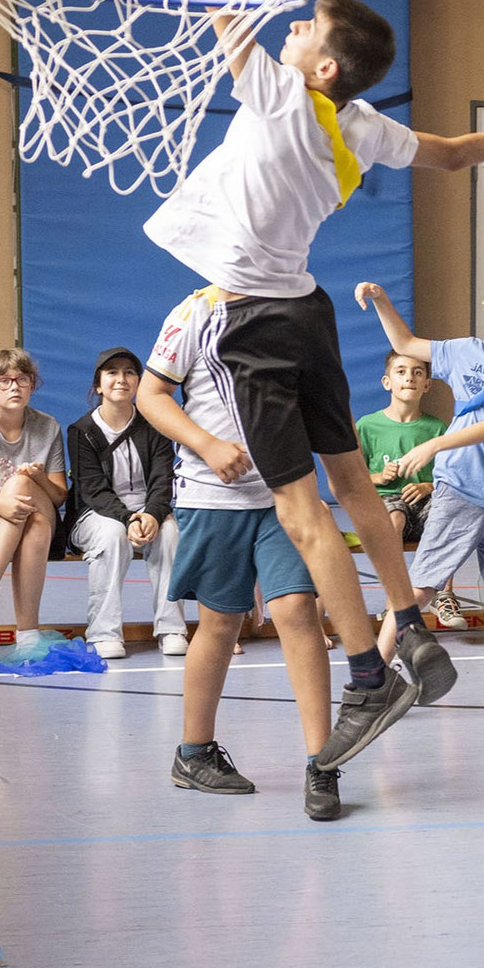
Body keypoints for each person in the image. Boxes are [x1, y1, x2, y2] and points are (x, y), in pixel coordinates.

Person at [146, 0, 484, 769]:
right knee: (353, 483)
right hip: (307, 309)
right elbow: (457, 153)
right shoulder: (357, 127)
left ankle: (368, 676)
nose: (289, 26)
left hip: (255, 320)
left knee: (302, 508)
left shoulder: (278, 98)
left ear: (318, 67)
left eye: (304, 27)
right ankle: (411, 626)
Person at [139, 288, 343, 820]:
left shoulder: (296, 306)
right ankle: (193, 753)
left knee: (298, 609)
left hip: (285, 493)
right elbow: (150, 395)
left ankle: (322, 763)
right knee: (221, 623)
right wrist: (207, 445)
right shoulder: (195, 310)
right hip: (213, 497)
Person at [355, 270, 484, 716]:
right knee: (418, 591)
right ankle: (374, 682)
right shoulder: (464, 351)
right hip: (458, 489)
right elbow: (405, 343)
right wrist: (382, 299)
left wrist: (435, 444)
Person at [68, 347, 184, 659]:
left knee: (170, 533)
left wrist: (153, 515)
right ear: (98, 385)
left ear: (138, 383)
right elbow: (93, 490)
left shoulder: (155, 424)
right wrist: (128, 518)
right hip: (97, 514)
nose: (121, 379)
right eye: (112, 373)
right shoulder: (81, 431)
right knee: (111, 535)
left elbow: (163, 479)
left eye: (129, 372)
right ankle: (103, 633)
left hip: (149, 511)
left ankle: (172, 628)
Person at [0, 348, 67, 635]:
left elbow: (59, 496)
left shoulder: (48, 426)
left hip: (41, 507)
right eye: (4, 381)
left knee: (20, 483)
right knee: (36, 526)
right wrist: (2, 505)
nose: (14, 387)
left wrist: (38, 478)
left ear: (32, 385)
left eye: (22, 379)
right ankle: (28, 635)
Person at [355, 351, 445, 546]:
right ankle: (393, 567)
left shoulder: (438, 429)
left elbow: (452, 478)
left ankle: (436, 568)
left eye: (417, 372)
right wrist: (379, 477)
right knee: (396, 516)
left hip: (426, 503)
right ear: (387, 382)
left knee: (449, 515)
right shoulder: (367, 426)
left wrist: (428, 486)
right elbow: (352, 479)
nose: (409, 378)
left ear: (427, 384)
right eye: (401, 372)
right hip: (385, 503)